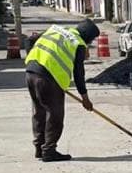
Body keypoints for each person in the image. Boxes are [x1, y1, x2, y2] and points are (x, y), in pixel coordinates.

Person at [24, 19, 98, 162]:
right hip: (48, 79)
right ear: (87, 37)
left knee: (39, 112)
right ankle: (49, 150)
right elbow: (78, 74)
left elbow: (29, 40)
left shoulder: (55, 30)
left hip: (30, 73)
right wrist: (85, 98)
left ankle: (39, 148)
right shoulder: (78, 44)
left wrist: (32, 61)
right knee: (55, 115)